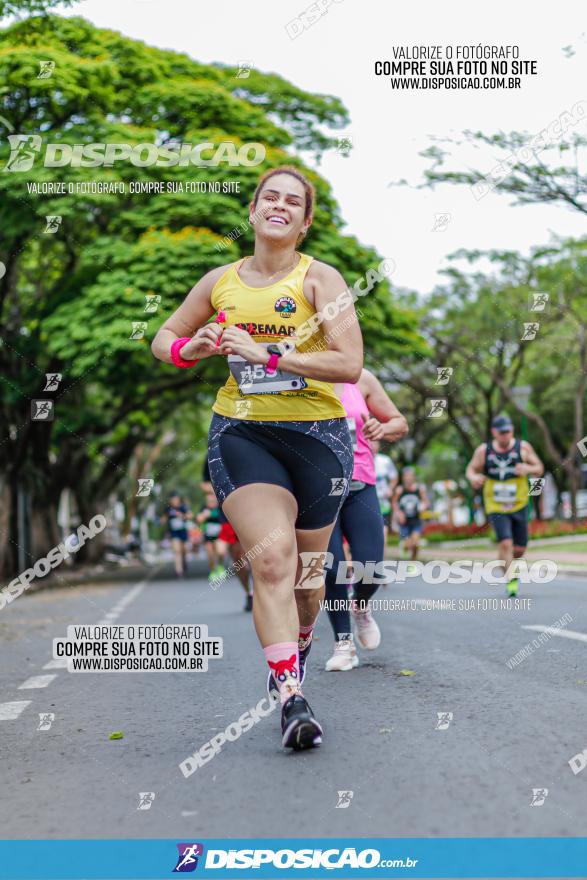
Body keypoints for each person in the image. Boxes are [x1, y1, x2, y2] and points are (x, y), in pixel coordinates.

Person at [151, 165, 363, 750]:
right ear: (253, 210)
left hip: (319, 436)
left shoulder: (321, 280)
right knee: (271, 563)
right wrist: (186, 348)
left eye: (293, 202)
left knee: (309, 579)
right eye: (270, 196)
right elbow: (163, 336)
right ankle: (290, 693)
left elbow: (348, 363)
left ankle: (298, 642)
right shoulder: (219, 281)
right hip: (243, 433)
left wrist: (269, 357)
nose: (280, 205)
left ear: (305, 222)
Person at [323, 371, 408, 672]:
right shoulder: (292, 377)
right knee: (331, 569)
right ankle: (343, 644)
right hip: (317, 490)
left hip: (360, 484)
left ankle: (360, 605)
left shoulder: (360, 379)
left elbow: (399, 422)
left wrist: (381, 428)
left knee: (371, 568)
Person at [466, 414, 544, 596]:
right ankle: (512, 581)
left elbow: (539, 467)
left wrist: (528, 469)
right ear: (494, 432)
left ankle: (505, 560)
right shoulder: (483, 451)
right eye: (502, 432)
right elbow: (470, 469)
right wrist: (474, 478)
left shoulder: (523, 447)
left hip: (519, 503)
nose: (505, 435)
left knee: (519, 549)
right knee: (506, 543)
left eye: (508, 431)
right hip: (496, 504)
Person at [201, 458, 253, 610]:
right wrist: (217, 487)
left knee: (257, 556)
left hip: (252, 509)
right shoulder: (213, 452)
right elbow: (204, 482)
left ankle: (265, 593)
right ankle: (249, 593)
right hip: (228, 515)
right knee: (238, 560)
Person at [393, 469, 428, 562]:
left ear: (414, 477)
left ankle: (413, 561)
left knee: (415, 543)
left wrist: (423, 507)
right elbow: (394, 503)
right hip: (404, 522)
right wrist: (399, 513)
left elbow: (425, 502)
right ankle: (404, 547)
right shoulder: (400, 490)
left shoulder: (419, 489)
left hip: (416, 520)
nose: (408, 478)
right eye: (406, 476)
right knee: (408, 545)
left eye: (410, 476)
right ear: (403, 478)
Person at [371, 439, 399, 545]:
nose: (372, 445)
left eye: (375, 442)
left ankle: (381, 559)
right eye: (370, 442)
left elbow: (394, 477)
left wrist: (390, 489)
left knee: (383, 532)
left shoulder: (385, 460)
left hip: (383, 503)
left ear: (379, 445)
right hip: (366, 502)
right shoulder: (360, 460)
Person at [161, 493, 192, 577]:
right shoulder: (168, 509)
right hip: (174, 533)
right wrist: (163, 520)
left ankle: (184, 561)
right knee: (177, 550)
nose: (174, 501)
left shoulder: (183, 507)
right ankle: (179, 571)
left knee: (184, 549)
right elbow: (163, 519)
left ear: (178, 499)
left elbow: (190, 516)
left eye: (176, 499)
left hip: (183, 531)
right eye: (173, 499)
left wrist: (182, 516)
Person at [196, 492, 225, 582]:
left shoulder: (220, 508)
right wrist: (202, 517)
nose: (211, 502)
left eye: (212, 500)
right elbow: (198, 520)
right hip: (207, 535)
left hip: (219, 535)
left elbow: (224, 520)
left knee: (221, 552)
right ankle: (213, 571)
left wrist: (211, 514)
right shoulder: (203, 508)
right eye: (209, 501)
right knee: (210, 554)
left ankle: (220, 566)